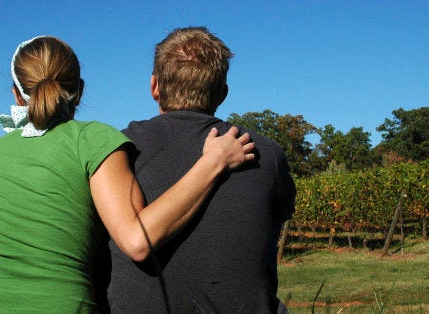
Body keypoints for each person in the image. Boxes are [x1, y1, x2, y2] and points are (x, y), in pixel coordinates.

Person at [0, 35, 255, 313]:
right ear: (79, 90)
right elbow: (137, 240)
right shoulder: (92, 140)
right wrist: (212, 162)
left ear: (16, 94)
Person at [104, 27, 296, 313]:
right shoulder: (265, 152)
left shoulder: (117, 150)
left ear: (154, 86)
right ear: (222, 92)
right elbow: (280, 215)